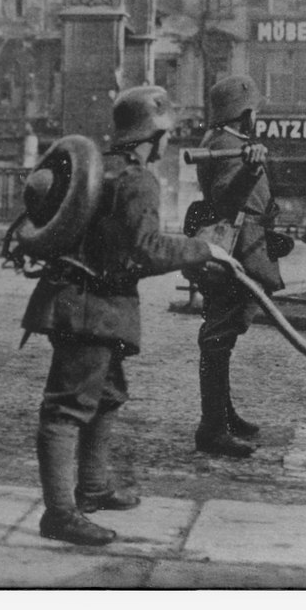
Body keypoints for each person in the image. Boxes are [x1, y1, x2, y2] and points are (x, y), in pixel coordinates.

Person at [21, 86, 222, 546]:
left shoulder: (102, 171)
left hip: (83, 303)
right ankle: (60, 514)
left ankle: (92, 487)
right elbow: (145, 250)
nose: (168, 142)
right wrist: (202, 249)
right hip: (92, 309)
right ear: (152, 135)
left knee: (107, 394)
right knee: (66, 407)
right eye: (166, 134)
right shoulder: (137, 180)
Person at [191, 75, 288, 458]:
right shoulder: (231, 146)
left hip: (240, 244)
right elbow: (226, 198)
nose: (257, 118)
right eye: (254, 112)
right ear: (244, 113)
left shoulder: (223, 142)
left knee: (221, 336)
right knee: (218, 338)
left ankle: (223, 416)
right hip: (236, 250)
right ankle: (213, 428)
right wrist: (249, 170)